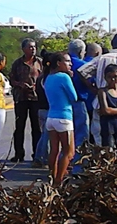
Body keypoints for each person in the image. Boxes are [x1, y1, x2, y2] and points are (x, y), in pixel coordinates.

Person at [44, 52, 77, 187]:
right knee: (69, 152)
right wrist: (70, 78)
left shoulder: (48, 77)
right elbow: (74, 97)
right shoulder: (64, 77)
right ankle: (58, 181)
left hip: (51, 117)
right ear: (59, 63)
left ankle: (52, 177)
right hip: (64, 118)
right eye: (67, 61)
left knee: (54, 150)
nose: (70, 64)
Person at [8, 38, 42, 162]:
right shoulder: (17, 63)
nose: (33, 49)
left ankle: (37, 154)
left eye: (34, 47)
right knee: (19, 127)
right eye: (30, 47)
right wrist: (19, 84)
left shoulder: (40, 62)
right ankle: (19, 154)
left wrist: (36, 86)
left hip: (36, 98)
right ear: (23, 49)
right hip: (21, 98)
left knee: (37, 128)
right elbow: (11, 79)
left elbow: (44, 78)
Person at [67, 39, 90, 153]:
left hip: (63, 103)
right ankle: (78, 160)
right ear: (81, 51)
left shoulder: (62, 63)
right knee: (81, 133)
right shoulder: (83, 65)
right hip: (79, 101)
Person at [32, 53, 52, 168]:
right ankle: (42, 158)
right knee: (46, 136)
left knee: (44, 135)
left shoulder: (40, 77)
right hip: (47, 109)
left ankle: (39, 157)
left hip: (41, 108)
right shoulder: (49, 78)